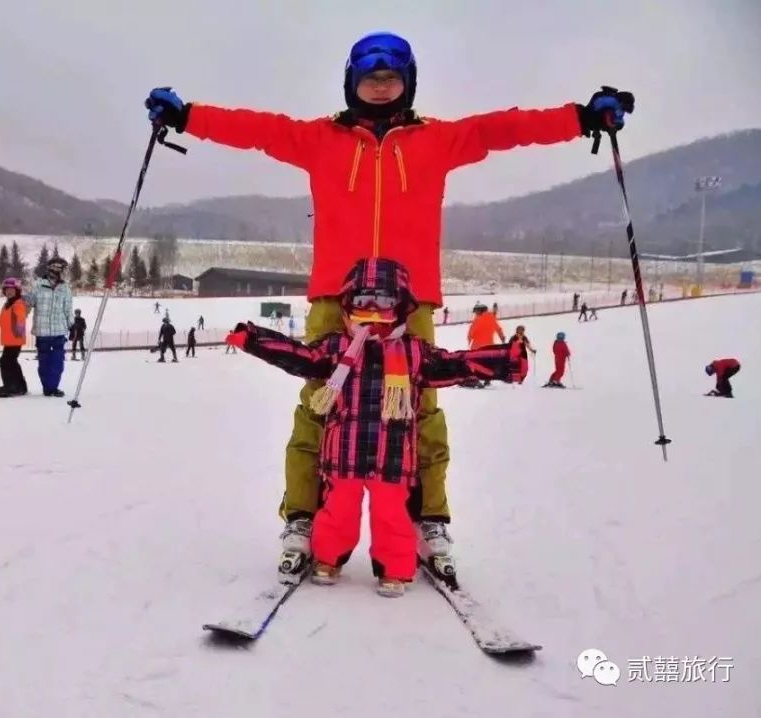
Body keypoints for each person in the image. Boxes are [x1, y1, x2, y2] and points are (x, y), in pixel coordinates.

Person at [145, 30, 633, 573]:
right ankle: (303, 517)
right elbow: (255, 129)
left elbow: (505, 129)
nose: (381, 88)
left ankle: (428, 521)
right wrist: (186, 115)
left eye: (391, 78)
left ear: (408, 83)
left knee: (421, 411)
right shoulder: (318, 139)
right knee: (318, 407)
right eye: (370, 78)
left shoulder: (437, 140)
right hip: (335, 296)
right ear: (352, 82)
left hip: (411, 299)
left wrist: (580, 118)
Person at [226, 258, 526, 594]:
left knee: (392, 517)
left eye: (383, 301)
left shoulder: (413, 352)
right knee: (336, 513)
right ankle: (328, 557)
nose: (372, 309)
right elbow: (300, 357)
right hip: (344, 454)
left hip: (393, 460)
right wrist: (254, 339)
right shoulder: (335, 348)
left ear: (400, 306)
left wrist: (505, 361)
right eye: (362, 301)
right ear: (347, 304)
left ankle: (394, 569)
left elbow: (455, 364)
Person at [26, 256, 72, 397]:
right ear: (55, 270)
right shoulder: (38, 286)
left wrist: (72, 326)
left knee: (58, 362)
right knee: (44, 362)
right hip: (42, 332)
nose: (65, 273)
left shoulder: (65, 289)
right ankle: (47, 387)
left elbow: (68, 310)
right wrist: (19, 317)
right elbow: (28, 303)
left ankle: (53, 387)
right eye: (63, 270)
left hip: (59, 331)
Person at [0, 278, 29, 397]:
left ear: (17, 291)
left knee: (6, 361)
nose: (9, 292)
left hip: (15, 338)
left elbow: (21, 316)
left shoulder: (18, 303)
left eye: (12, 290)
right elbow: (1, 318)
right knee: (11, 362)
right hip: (9, 340)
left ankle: (10, 386)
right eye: (7, 290)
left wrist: (20, 327)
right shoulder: (7, 305)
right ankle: (20, 386)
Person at [465, 303, 506, 387]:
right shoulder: (492, 318)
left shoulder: (477, 319)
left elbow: (471, 332)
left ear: (480, 311)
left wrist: (469, 339)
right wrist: (502, 337)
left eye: (476, 311)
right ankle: (487, 379)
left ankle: (475, 380)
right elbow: (498, 329)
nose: (475, 313)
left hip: (478, 345)